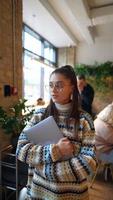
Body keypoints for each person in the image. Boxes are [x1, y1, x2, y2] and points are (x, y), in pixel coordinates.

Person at [16, 65, 97, 200]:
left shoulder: (84, 120)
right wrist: (56, 150)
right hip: (39, 192)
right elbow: (21, 150)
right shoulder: (39, 115)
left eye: (59, 85)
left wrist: (42, 168)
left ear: (72, 87)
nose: (53, 90)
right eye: (50, 85)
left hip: (71, 195)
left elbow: (89, 163)